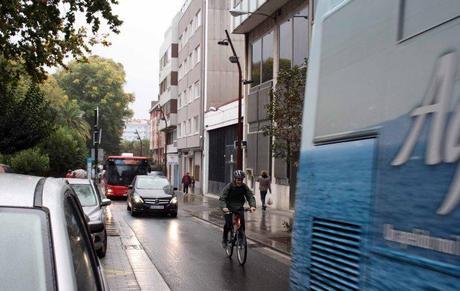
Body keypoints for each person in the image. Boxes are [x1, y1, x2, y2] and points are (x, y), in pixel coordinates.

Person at [219, 170, 256, 248]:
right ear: (235, 179)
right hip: (228, 207)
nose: (239, 181)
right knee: (228, 224)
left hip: (239, 207)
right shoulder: (229, 186)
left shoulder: (244, 187)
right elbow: (222, 198)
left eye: (241, 179)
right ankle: (225, 239)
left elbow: (250, 196)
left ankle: (241, 238)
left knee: (241, 223)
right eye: (238, 179)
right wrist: (224, 207)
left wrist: (252, 206)